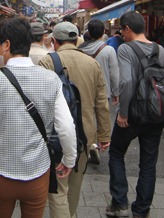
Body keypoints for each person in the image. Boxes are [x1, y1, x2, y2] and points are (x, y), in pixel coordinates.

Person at [0, 18, 77, 218]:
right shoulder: (51, 79)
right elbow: (66, 126)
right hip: (37, 172)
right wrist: (69, 159)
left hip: (0, 171)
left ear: (7, 45)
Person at [39, 22, 111, 218]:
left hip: (56, 136)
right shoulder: (92, 63)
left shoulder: (47, 62)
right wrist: (104, 135)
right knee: (75, 186)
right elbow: (102, 104)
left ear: (54, 41)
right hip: (85, 134)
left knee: (58, 189)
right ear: (76, 40)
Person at [106, 11, 164, 218]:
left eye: (122, 30)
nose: (122, 35)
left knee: (116, 153)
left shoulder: (125, 49)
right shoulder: (161, 50)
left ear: (127, 29)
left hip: (132, 114)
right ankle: (141, 211)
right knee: (148, 163)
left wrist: (123, 113)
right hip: (156, 114)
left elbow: (126, 82)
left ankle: (120, 203)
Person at [78, 19, 119, 166]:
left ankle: (89, 144)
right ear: (103, 32)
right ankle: (97, 143)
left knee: (86, 118)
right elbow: (114, 73)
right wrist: (116, 92)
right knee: (101, 117)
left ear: (88, 32)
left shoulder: (80, 49)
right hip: (104, 90)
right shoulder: (108, 50)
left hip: (84, 90)